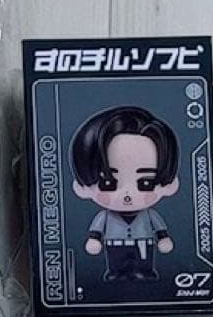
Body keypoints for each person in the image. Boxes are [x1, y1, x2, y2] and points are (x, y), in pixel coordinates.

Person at [70, 105, 180, 282]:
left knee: (144, 262)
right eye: (108, 183)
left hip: (143, 244)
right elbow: (96, 231)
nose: (127, 194)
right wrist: (94, 239)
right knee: (116, 264)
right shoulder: (105, 216)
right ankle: (116, 272)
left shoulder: (149, 215)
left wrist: (163, 238)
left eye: (146, 183)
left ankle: (144, 271)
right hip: (115, 245)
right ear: (83, 186)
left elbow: (160, 229)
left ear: (169, 184)